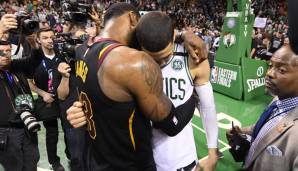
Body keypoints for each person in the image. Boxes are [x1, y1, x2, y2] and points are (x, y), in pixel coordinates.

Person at [66, 2, 202, 170]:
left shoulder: (83, 50)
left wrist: (183, 34)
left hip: (96, 159)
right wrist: (195, 96)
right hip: (130, 164)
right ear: (132, 17)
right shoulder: (134, 63)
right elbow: (171, 125)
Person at [135, 11, 218, 171]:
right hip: (143, 157)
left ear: (173, 38)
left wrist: (212, 152)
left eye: (165, 57)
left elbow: (207, 107)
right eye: (154, 58)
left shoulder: (193, 57)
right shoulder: (130, 56)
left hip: (181, 159)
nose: (160, 63)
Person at [226, 45, 298, 171]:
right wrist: (241, 131)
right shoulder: (278, 99)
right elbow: (266, 125)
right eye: (270, 66)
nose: (269, 73)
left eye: (281, 70)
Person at [0, 14, 42, 171]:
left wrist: (32, 42)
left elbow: (35, 59)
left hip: (27, 126)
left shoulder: (16, 66)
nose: (5, 55)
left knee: (32, 165)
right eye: (1, 52)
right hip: (7, 132)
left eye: (8, 51)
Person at [27, 27, 65, 171]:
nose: (50, 40)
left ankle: (70, 153)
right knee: (52, 133)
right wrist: (43, 94)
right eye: (45, 38)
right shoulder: (34, 59)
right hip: (47, 101)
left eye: (51, 37)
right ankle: (54, 162)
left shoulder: (61, 54)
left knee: (69, 130)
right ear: (38, 40)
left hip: (64, 98)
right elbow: (29, 83)